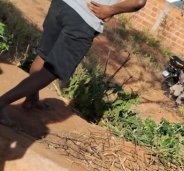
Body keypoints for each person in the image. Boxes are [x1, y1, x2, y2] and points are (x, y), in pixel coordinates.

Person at [0, 0, 148, 127]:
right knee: (53, 69)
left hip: (61, 5)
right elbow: (138, 2)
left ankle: (31, 99)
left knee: (44, 55)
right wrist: (109, 10)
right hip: (84, 19)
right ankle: (2, 102)